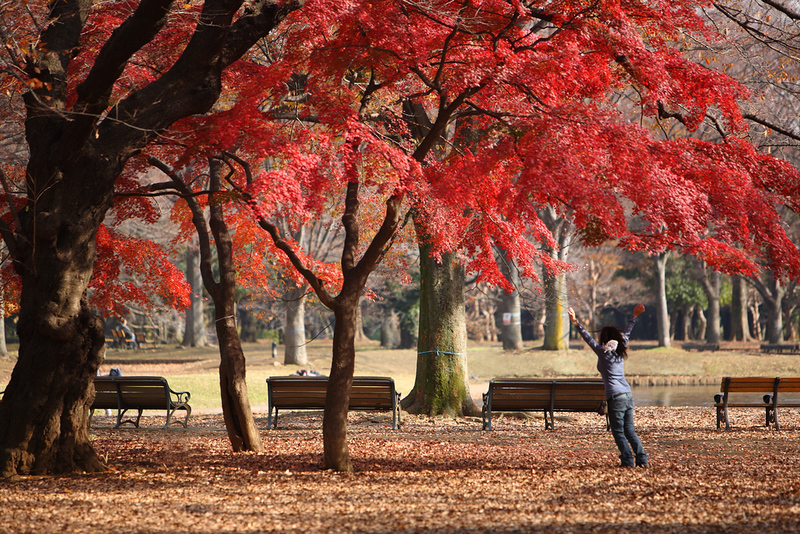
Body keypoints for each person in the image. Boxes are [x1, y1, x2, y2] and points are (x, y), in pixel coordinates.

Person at [568, 304, 649, 468]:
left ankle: (627, 461)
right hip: (627, 394)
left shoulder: (602, 352)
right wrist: (634, 315)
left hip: (616, 397)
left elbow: (587, 338)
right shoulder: (621, 348)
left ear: (603, 339)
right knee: (630, 430)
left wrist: (576, 322)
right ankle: (642, 459)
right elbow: (627, 332)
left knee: (618, 431)